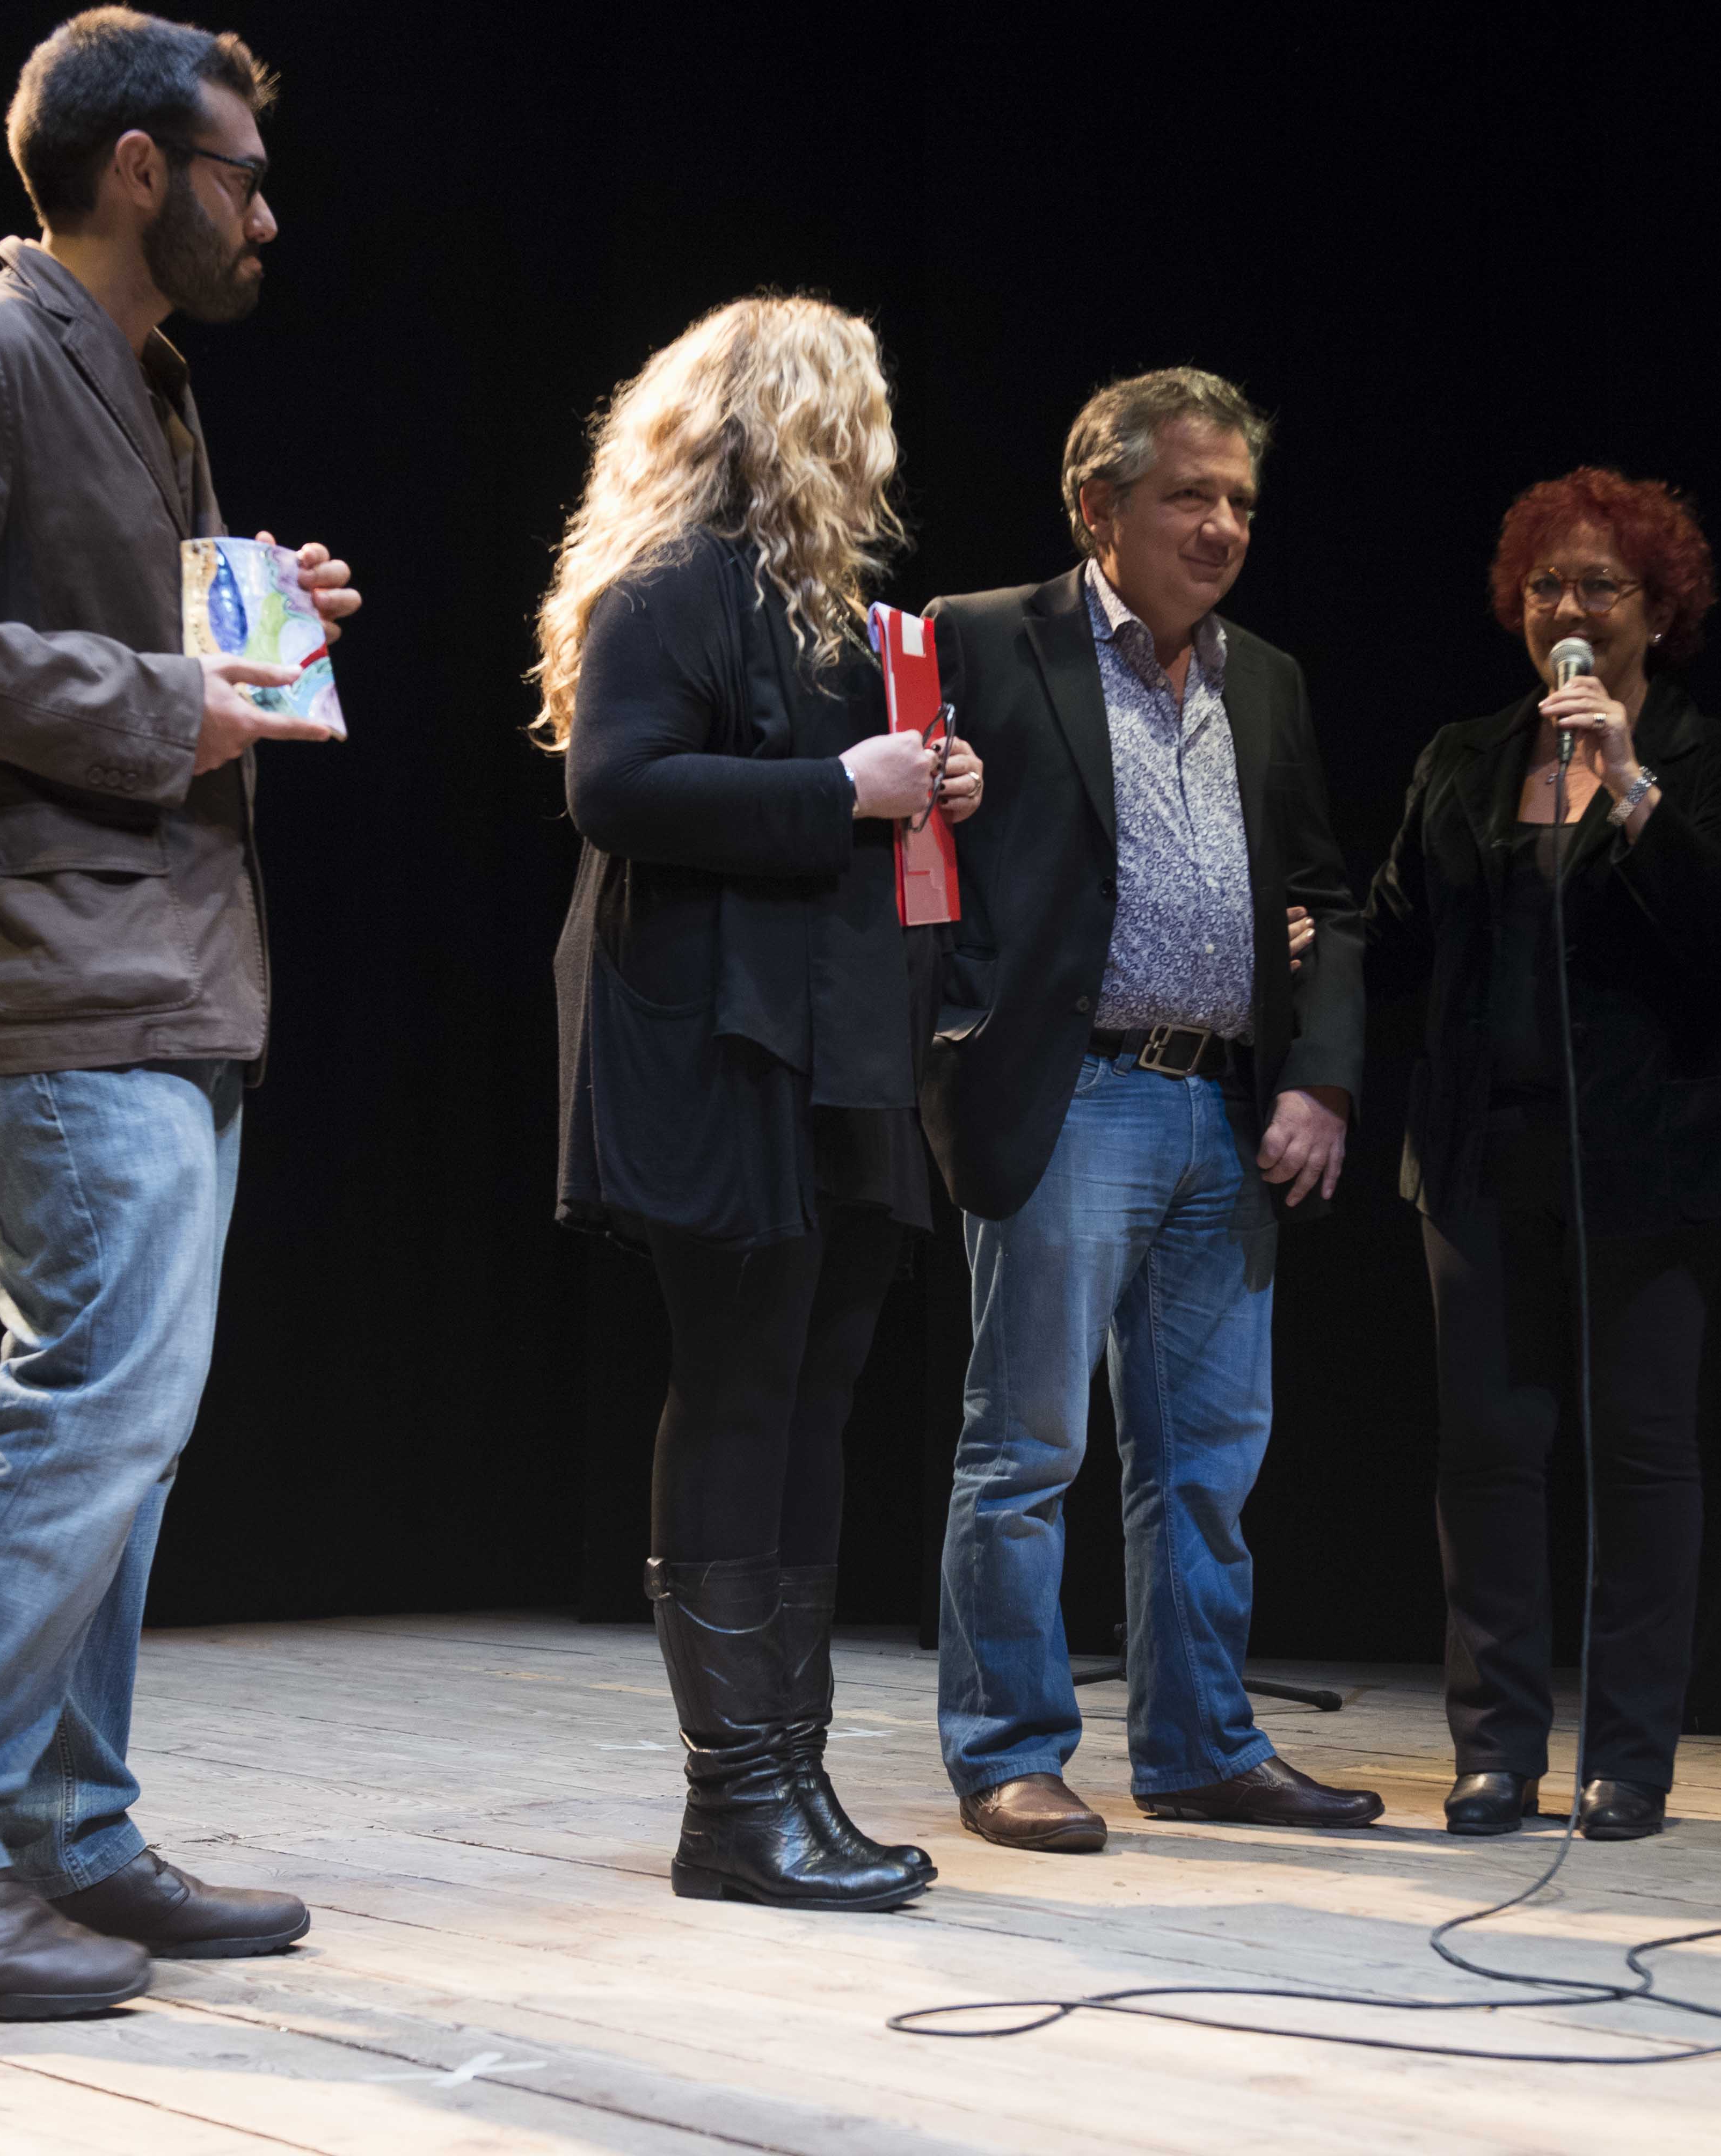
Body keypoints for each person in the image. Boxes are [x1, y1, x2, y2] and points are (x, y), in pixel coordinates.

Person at [0, 9, 359, 2015]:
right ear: (139, 170)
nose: (264, 218)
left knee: (135, 1425)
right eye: (241, 178)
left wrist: (255, 625)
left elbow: (108, 631)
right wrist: (154, 702)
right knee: (92, 1400)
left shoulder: (147, 380)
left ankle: (62, 1823)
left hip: (169, 964)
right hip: (53, 962)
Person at [542, 296, 987, 1910]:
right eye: (855, 415)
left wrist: (927, 783)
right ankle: (733, 1803)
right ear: (788, 424)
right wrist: (839, 788)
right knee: (742, 1380)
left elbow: (851, 803)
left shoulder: (829, 616)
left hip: (834, 1043)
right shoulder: (673, 584)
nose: (877, 448)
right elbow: (614, 785)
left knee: (817, 1383)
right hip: (719, 1040)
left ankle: (790, 1774)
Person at [920, 369, 1375, 1851]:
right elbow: (910, 850)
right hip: (1071, 1094)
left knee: (1207, 1465)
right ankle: (1008, 1752)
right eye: (1190, 494)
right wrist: (956, 1026)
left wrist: (1318, 1075)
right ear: (1097, 506)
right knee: (1027, 1449)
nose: (1222, 525)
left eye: (1239, 499)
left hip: (1223, 1107)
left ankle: (1199, 1748)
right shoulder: (982, 637)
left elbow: (1325, 897)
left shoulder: (1267, 678)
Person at [1367, 467, 1721, 1842]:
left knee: (1639, 1457)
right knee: (1488, 1452)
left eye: (1600, 585)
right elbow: (1398, 930)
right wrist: (1311, 937)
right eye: (1545, 583)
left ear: (1657, 611)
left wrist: (1630, 781)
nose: (1568, 607)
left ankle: (1628, 1761)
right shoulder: (1464, 755)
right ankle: (1493, 1752)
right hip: (1480, 1156)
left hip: (1651, 1165)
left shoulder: (1720, 762)